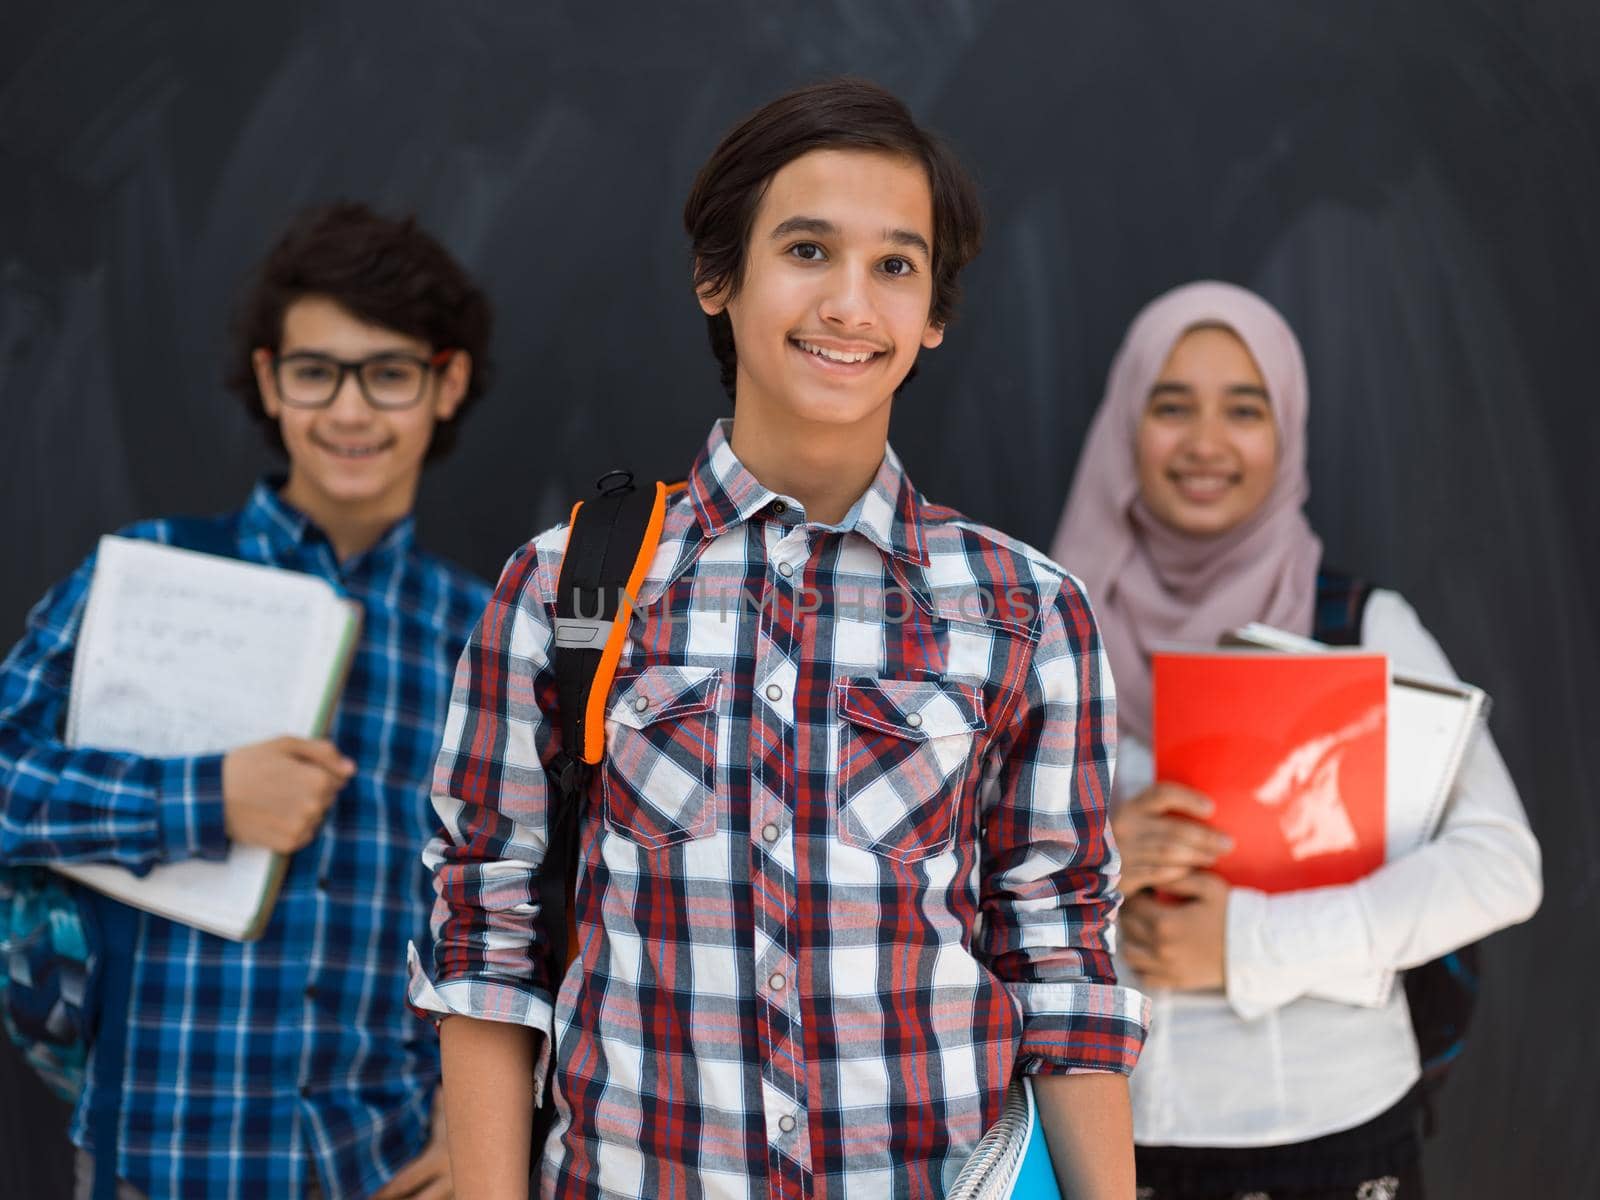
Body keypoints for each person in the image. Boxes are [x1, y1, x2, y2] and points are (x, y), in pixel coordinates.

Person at [410, 78, 1149, 1199]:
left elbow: (1062, 959)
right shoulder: (567, 584)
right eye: (807, 249)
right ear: (718, 277)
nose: (850, 304)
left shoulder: (1023, 608)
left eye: (895, 266)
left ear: (935, 316)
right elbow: (486, 925)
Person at [0, 202, 495, 1199]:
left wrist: (470, 1117)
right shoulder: (141, 577)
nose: (349, 413)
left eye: (389, 373)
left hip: (386, 1163)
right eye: (316, 372)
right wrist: (208, 798)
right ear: (271, 381)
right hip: (166, 1154)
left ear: (446, 385)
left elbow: (516, 908)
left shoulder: (484, 635)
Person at [1049, 280, 1543, 1200]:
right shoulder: (1044, 634)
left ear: (1287, 430)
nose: (1205, 443)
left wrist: (1248, 944)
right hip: (1107, 1141)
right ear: (1125, 427)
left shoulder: (1359, 627)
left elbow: (1501, 865)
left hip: (1339, 1131)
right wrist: (1100, 858)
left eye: (1245, 408)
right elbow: (946, 889)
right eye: (1170, 406)